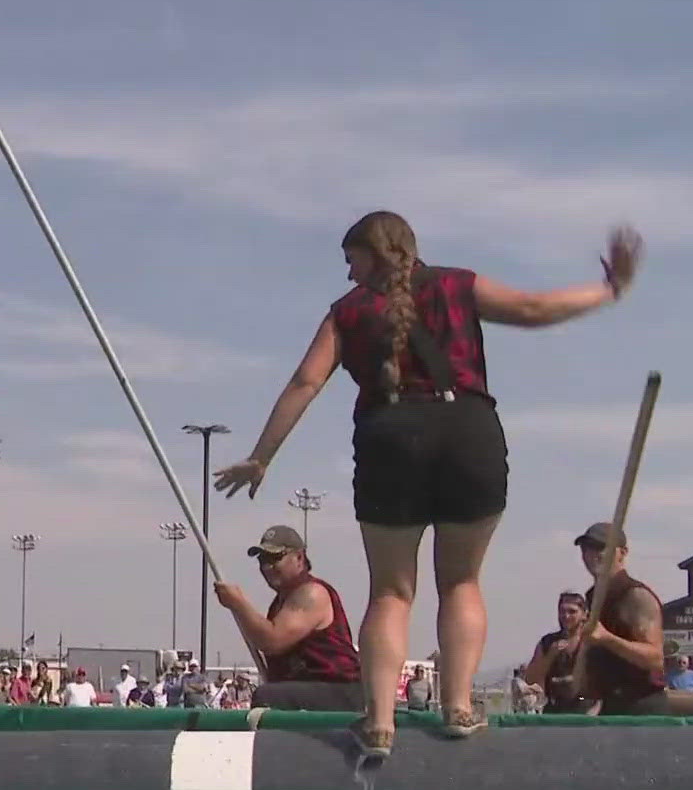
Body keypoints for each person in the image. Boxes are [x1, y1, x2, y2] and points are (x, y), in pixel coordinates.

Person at [216, 212, 642, 757]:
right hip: (468, 433)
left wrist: (261, 457)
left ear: (374, 252)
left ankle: (379, 724)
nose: (348, 275)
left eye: (351, 260)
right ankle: (459, 708)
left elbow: (305, 381)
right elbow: (535, 310)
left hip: (390, 440)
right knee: (461, 582)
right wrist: (607, 290)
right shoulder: (456, 285)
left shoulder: (346, 314)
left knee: (392, 591)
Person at [215, 525, 363, 712]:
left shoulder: (311, 593)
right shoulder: (281, 602)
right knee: (272, 694)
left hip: (338, 691)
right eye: (262, 560)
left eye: (275, 558)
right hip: (311, 690)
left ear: (299, 558)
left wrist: (239, 604)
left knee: (267, 696)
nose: (267, 566)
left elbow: (272, 640)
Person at [570, 522, 667, 714]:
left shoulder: (635, 595)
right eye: (586, 548)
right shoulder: (594, 596)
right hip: (610, 704)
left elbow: (655, 659)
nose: (591, 554)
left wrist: (607, 639)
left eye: (601, 547)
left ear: (622, 553)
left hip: (641, 707)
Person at [521, 591, 591, 713]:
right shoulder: (547, 642)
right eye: (562, 611)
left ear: (584, 614)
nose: (566, 616)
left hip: (586, 710)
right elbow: (530, 679)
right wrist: (550, 656)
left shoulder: (593, 642)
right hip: (555, 709)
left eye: (572, 612)